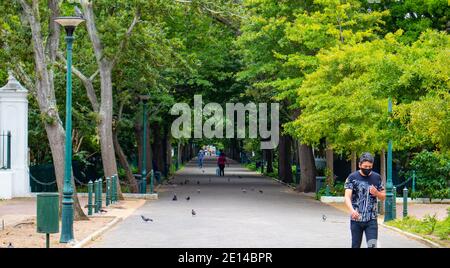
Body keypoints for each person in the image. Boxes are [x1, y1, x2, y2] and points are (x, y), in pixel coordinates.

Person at [344, 152, 386, 248]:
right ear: (359, 165)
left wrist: (377, 193)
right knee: (355, 245)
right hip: (356, 217)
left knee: (372, 245)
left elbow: (383, 197)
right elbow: (347, 197)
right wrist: (352, 211)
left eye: (369, 167)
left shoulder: (377, 178)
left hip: (371, 219)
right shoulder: (352, 178)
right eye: (365, 166)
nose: (367, 169)